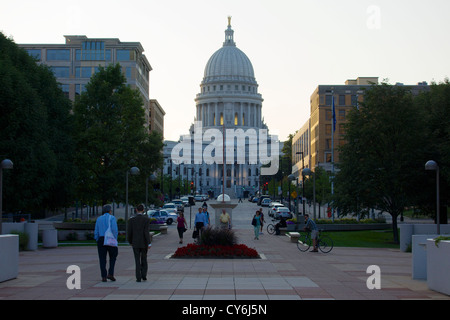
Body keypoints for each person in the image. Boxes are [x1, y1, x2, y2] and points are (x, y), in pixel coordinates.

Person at [94, 205, 118, 282]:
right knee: (113, 257)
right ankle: (110, 273)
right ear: (110, 211)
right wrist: (115, 239)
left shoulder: (99, 219)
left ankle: (103, 276)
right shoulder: (112, 218)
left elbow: (96, 231)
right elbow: (114, 229)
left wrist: (97, 239)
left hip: (101, 239)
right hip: (110, 239)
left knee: (102, 258)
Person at [127, 204, 151, 282]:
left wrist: (130, 241)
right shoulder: (146, 219)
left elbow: (129, 232)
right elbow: (146, 232)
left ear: (136, 210)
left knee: (137, 260)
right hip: (144, 243)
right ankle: (144, 275)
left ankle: (138, 277)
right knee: (144, 258)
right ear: (143, 210)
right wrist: (149, 242)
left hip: (135, 243)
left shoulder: (131, 220)